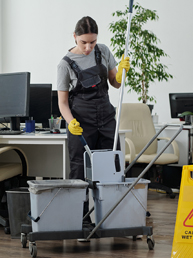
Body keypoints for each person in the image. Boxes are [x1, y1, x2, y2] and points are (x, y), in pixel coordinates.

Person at [57, 16, 130, 221]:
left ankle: (110, 217)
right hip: (81, 122)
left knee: (110, 167)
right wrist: (71, 122)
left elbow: (115, 84)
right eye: (84, 42)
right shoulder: (65, 64)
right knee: (79, 170)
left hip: (106, 118)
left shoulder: (103, 51)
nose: (88, 47)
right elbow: (62, 103)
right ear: (74, 37)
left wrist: (122, 73)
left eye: (92, 42)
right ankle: (80, 221)